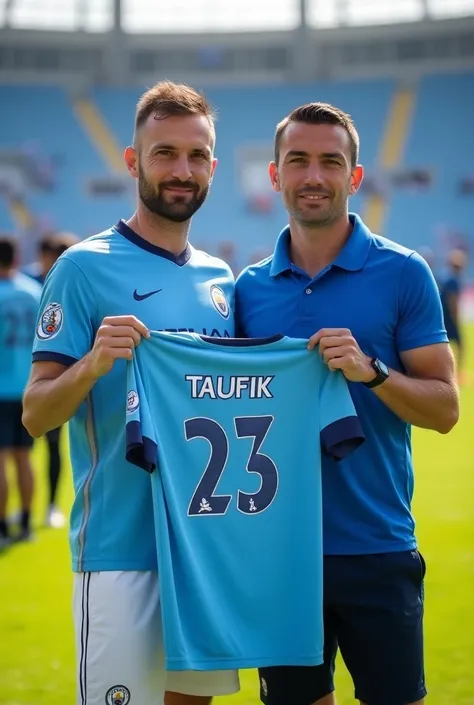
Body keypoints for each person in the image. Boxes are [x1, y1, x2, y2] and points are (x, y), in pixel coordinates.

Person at [22, 81, 239, 705]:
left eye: (197, 156)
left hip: (203, 550)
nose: (182, 170)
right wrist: (91, 364)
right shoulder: (83, 267)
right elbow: (36, 415)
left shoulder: (220, 279)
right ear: (131, 161)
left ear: (213, 167)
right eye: (164, 153)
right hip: (120, 550)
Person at [235, 102, 459, 705]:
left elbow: (445, 409)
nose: (314, 176)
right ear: (276, 175)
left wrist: (373, 372)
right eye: (298, 161)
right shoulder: (247, 289)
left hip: (376, 545)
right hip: (279, 553)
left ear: (354, 177)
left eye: (331, 162)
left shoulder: (405, 272)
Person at [24, 231, 79, 528]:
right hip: (25, 378)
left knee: (54, 446)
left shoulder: (71, 285)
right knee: (20, 452)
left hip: (55, 379)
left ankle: (50, 506)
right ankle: (22, 511)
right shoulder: (28, 286)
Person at [0, 237, 42, 547]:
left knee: (1, 461)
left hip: (1, 388)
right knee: (24, 459)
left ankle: (2, 527)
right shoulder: (34, 292)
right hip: (28, 386)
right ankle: (26, 522)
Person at [439, 247, 468, 383]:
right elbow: (453, 301)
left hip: (442, 318)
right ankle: (456, 374)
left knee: (444, 346)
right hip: (450, 318)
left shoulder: (445, 277)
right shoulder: (454, 280)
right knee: (460, 345)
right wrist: (456, 318)